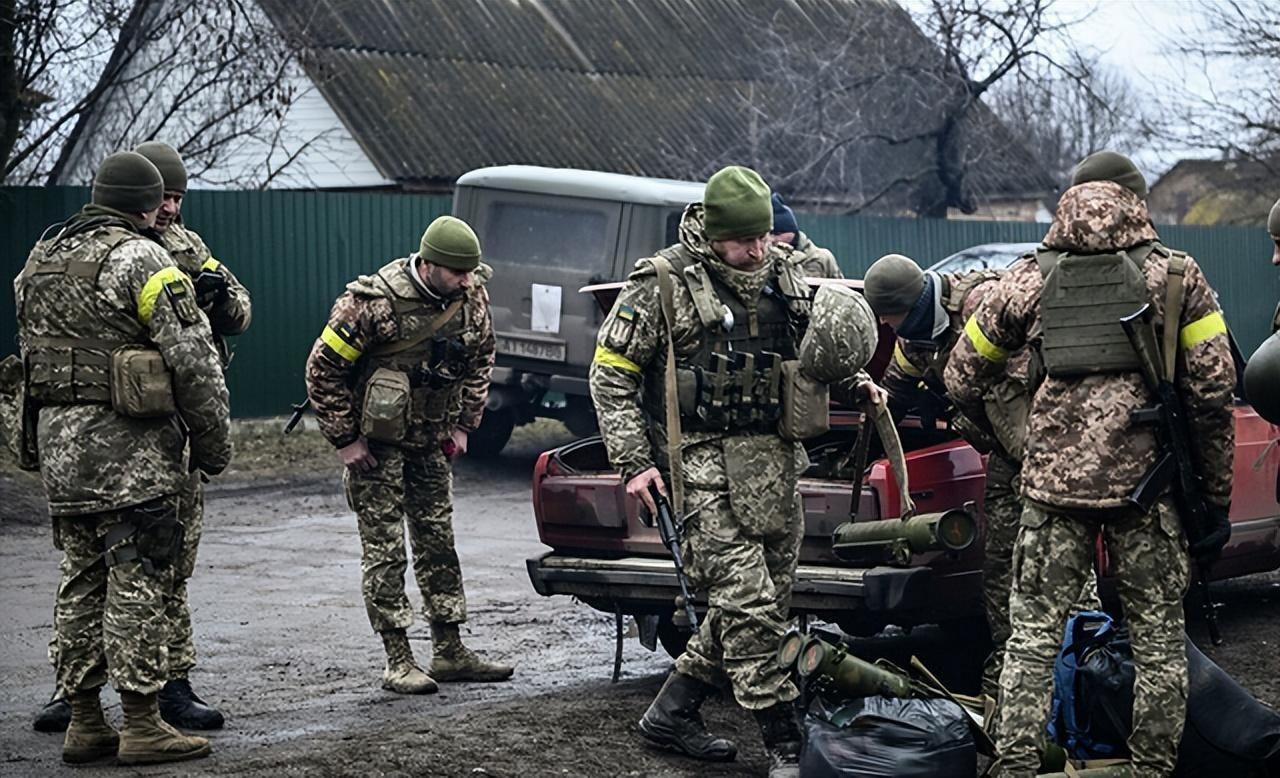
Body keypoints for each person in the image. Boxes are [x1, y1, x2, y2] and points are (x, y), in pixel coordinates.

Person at [590, 165, 876, 778]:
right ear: (714, 233)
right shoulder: (661, 282)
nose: (757, 252)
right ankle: (785, 742)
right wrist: (634, 462)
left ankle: (671, 712)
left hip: (774, 465)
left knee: (762, 602)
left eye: (765, 238)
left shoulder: (784, 275)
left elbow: (813, 351)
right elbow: (610, 374)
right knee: (748, 607)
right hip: (699, 467)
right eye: (745, 240)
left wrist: (857, 383)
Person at [946, 177, 1235, 776]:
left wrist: (1008, 433)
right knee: (1157, 641)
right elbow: (1212, 393)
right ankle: (1151, 767)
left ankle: (1017, 765)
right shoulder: (1177, 277)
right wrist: (1213, 500)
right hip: (1147, 492)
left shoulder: (1025, 278)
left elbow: (961, 376)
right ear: (1138, 207)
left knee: (1030, 639)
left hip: (1050, 491)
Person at [15, 151, 231, 764]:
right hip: (131, 454)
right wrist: (213, 443)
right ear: (146, 202)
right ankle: (141, 723)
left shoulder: (43, 255)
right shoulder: (142, 258)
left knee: (81, 579)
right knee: (138, 575)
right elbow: (192, 361)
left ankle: (84, 722)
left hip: (62, 451)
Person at [304, 215, 512, 695]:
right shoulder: (370, 304)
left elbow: (483, 357)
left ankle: (450, 649)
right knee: (385, 550)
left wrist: (465, 425)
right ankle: (398, 658)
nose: (467, 282)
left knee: (438, 541)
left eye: (471, 273)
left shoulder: (471, 294)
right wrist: (344, 440)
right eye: (458, 273)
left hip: (433, 440)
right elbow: (322, 369)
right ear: (430, 263)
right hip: (376, 448)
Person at [861, 252, 1037, 706]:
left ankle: (1078, 678)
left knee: (1051, 574)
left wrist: (959, 400)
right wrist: (871, 438)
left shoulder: (982, 305)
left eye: (888, 314)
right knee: (1000, 573)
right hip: (1003, 457)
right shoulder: (915, 333)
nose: (885, 324)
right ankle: (1006, 685)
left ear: (911, 302)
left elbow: (1023, 389)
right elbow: (896, 389)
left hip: (1046, 456)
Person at [768, 193, 842, 278]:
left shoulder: (822, 258)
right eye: (769, 234)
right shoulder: (764, 261)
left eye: (777, 234)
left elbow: (842, 288)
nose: (772, 239)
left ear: (792, 232)